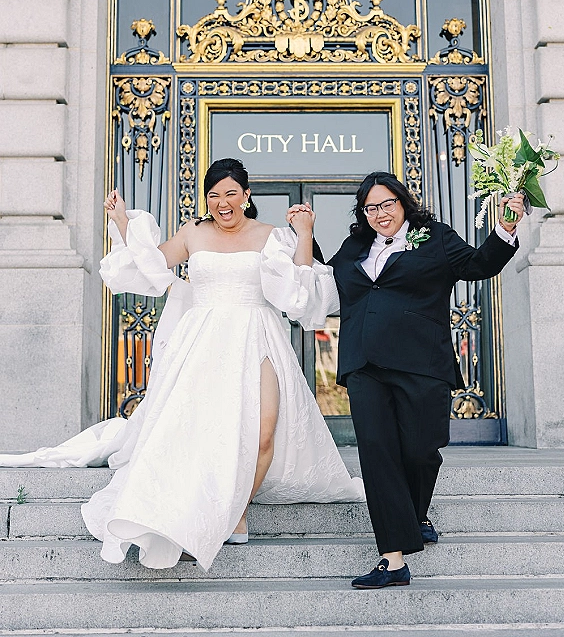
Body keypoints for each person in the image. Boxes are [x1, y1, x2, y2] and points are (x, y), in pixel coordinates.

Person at [0, 158, 363, 571]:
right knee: (198, 430)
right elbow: (152, 265)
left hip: (258, 333)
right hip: (202, 339)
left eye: (230, 194)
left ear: (246, 195)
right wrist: (123, 222)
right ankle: (211, 509)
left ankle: (237, 507)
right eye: (214, 195)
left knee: (265, 431)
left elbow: (301, 288)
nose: (222, 203)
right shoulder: (193, 231)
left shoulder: (271, 235)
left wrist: (304, 232)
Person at [308, 171, 524, 589]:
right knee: (377, 454)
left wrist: (506, 227)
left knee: (422, 450)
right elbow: (324, 280)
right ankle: (393, 558)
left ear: (403, 203)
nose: (380, 214)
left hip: (422, 362)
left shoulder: (435, 237)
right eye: (371, 207)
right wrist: (306, 235)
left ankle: (416, 513)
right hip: (366, 363)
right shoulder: (355, 246)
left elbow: (480, 265)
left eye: (387, 203)